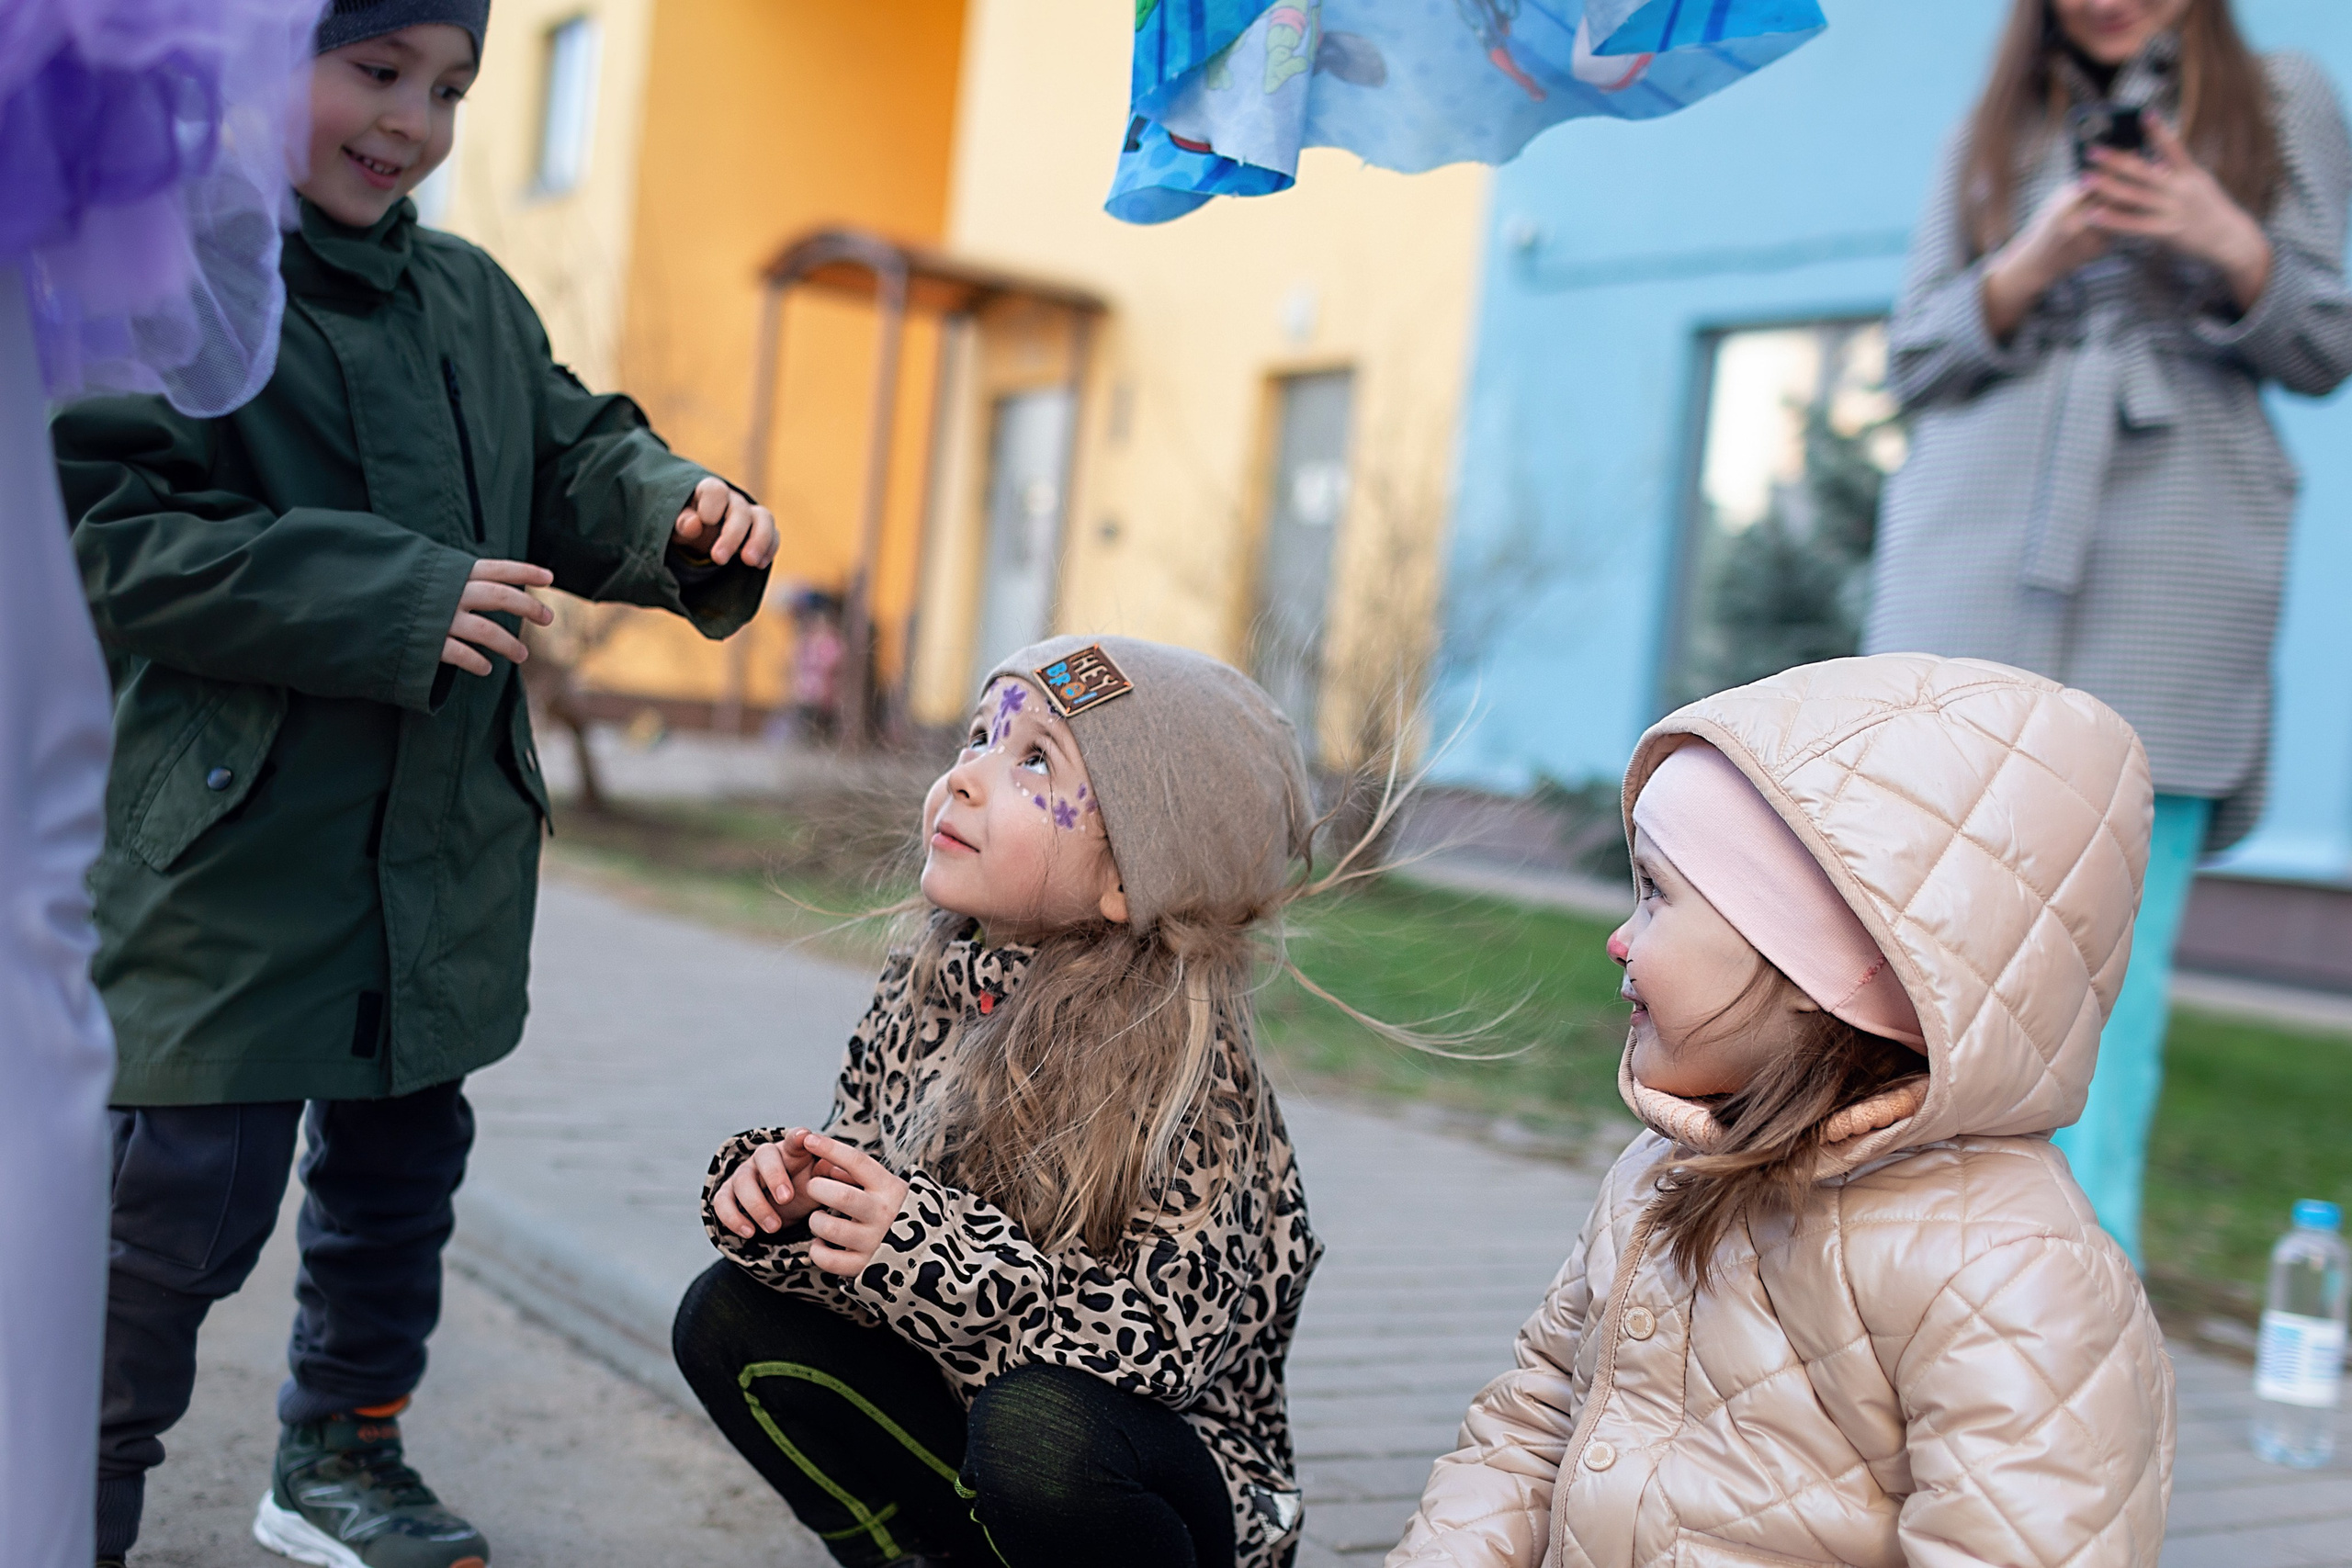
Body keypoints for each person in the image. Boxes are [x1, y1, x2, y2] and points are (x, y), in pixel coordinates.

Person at [51, 4, 780, 1564]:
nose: (413, 121)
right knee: (170, 1213)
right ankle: (64, 1486)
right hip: (231, 851)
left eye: (450, 87)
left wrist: (680, 511)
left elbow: (574, 454)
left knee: (398, 1179)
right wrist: (384, 596)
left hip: (437, 848)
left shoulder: (467, 298)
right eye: (374, 72)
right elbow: (106, 529)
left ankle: (342, 1450)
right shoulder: (162, 272)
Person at [1388, 653, 2175, 1568]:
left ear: (1826, 966)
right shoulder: (1657, 1172)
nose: (1618, 939)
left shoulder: (2008, 1269)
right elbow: (1528, 1425)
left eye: (1655, 896)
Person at [674, 636, 1340, 1568]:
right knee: (725, 1316)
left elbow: (1163, 1344)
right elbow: (883, 1267)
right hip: (972, 1437)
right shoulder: (933, 986)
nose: (967, 777)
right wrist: (799, 1210)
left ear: (1128, 878)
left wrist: (925, 1250)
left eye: (1032, 760)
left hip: (1157, 1488)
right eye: (976, 737)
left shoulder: (1190, 1066)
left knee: (1038, 1433)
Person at [1862, 0, 2352, 1262]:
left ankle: (2071, 1320)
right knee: (1917, 943)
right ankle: (1890, 1300)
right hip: (1976, 541)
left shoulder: (2279, 93)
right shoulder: (1997, 119)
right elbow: (1914, 349)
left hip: (2175, 554)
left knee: (2108, 977)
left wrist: (2221, 234)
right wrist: (2035, 255)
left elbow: (2327, 335)